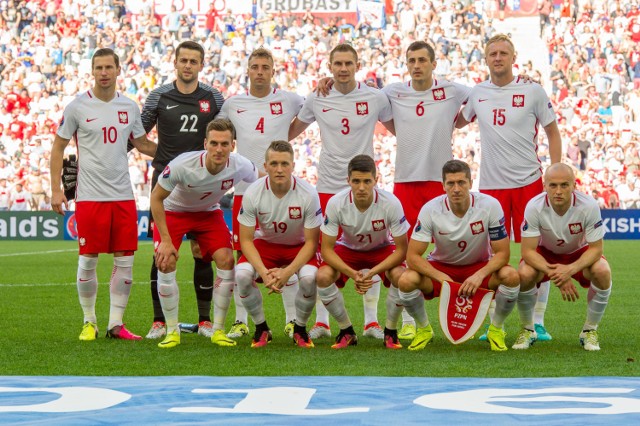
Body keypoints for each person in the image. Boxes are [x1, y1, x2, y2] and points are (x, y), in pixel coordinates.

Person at [457, 34, 561, 341]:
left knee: (536, 254)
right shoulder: (478, 93)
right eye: (493, 53)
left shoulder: (532, 90)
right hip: (491, 188)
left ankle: (536, 322)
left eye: (504, 53)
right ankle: (493, 322)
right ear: (486, 59)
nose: (498, 58)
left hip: (530, 183)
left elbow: (553, 133)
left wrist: (555, 172)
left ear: (513, 57)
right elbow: (456, 120)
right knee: (489, 256)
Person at [288, 43, 394, 341]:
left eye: (349, 63)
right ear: (330, 66)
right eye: (338, 64)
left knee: (370, 247)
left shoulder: (374, 96)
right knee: (325, 254)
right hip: (328, 184)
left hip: (363, 182)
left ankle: (372, 322)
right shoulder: (317, 97)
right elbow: (292, 129)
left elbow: (399, 125)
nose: (343, 68)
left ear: (357, 65)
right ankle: (322, 322)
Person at [50, 48, 157, 341]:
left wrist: (176, 155)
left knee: (125, 259)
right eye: (99, 67)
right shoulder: (77, 107)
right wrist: (56, 190)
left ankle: (115, 324)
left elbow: (143, 144)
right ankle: (89, 321)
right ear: (92, 71)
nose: (104, 72)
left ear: (118, 69)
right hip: (89, 196)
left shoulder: (130, 107)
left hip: (123, 194)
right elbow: (58, 147)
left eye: (109, 67)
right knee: (88, 258)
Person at [382, 41, 472, 340]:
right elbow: (366, 99)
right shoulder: (393, 91)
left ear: (434, 63)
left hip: (441, 182)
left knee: (454, 245)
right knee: (407, 252)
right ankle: (409, 318)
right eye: (411, 60)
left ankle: (461, 307)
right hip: (406, 181)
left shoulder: (453, 91)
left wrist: (451, 123)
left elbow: (485, 96)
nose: (416, 65)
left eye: (422, 60)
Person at [218, 47, 304, 340]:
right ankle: (242, 321)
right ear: (248, 70)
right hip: (245, 191)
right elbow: (222, 138)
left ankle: (293, 320)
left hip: (281, 190)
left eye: (264, 67)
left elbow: (308, 115)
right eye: (254, 66)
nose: (259, 72)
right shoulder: (232, 104)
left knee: (286, 251)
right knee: (243, 256)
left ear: (272, 71)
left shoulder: (289, 99)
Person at [141, 40, 225, 340]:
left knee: (203, 252)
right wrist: (165, 158)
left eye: (194, 61)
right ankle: (159, 321)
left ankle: (204, 321)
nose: (188, 65)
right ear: (174, 62)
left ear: (201, 65)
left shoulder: (213, 97)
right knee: (161, 253)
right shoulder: (159, 96)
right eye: (184, 60)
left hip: (203, 186)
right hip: (166, 184)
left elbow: (227, 135)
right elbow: (138, 137)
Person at [150, 118, 259, 349]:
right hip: (174, 211)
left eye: (224, 144)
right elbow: (156, 198)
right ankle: (172, 331)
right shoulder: (182, 164)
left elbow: (261, 182)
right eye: (214, 143)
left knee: (227, 260)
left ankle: (218, 330)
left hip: (208, 213)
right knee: (165, 261)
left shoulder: (241, 165)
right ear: (205, 143)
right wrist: (166, 241)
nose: (219, 149)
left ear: (233, 145)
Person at [397, 160, 521, 351]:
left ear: (471, 183)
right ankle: (424, 329)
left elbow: (503, 253)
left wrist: (479, 275)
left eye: (461, 183)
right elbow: (412, 256)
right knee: (406, 280)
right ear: (443, 185)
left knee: (511, 276)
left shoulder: (489, 205)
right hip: (442, 267)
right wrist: (442, 278)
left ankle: (495, 329)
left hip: (479, 266)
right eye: (451, 183)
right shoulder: (431, 209)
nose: (456, 189)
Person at [317, 155, 409, 349]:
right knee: (322, 276)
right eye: (356, 181)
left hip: (382, 249)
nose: (361, 187)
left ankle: (390, 332)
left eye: (367, 181)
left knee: (401, 277)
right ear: (348, 180)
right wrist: (353, 274)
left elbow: (402, 250)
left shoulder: (391, 202)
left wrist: (372, 273)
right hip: (348, 249)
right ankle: (346, 331)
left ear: (376, 180)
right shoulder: (336, 203)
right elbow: (326, 249)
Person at [236, 140, 322, 348]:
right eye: (273, 164)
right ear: (265, 166)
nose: (279, 169)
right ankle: (261, 328)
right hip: (266, 245)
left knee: (310, 278)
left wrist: (288, 272)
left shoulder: (308, 194)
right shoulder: (253, 192)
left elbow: (312, 243)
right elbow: (246, 240)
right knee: (241, 274)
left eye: (285, 164)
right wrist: (264, 272)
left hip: (299, 247)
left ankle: (300, 329)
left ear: (293, 165)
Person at [518, 163, 612, 351]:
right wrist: (558, 275)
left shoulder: (588, 206)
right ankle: (528, 329)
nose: (558, 191)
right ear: (545, 186)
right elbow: (527, 251)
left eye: (564, 185)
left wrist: (569, 270)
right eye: (553, 185)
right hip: (545, 254)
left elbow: (596, 249)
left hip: (578, 253)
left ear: (574, 185)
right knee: (524, 273)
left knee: (602, 271)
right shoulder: (534, 206)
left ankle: (589, 331)